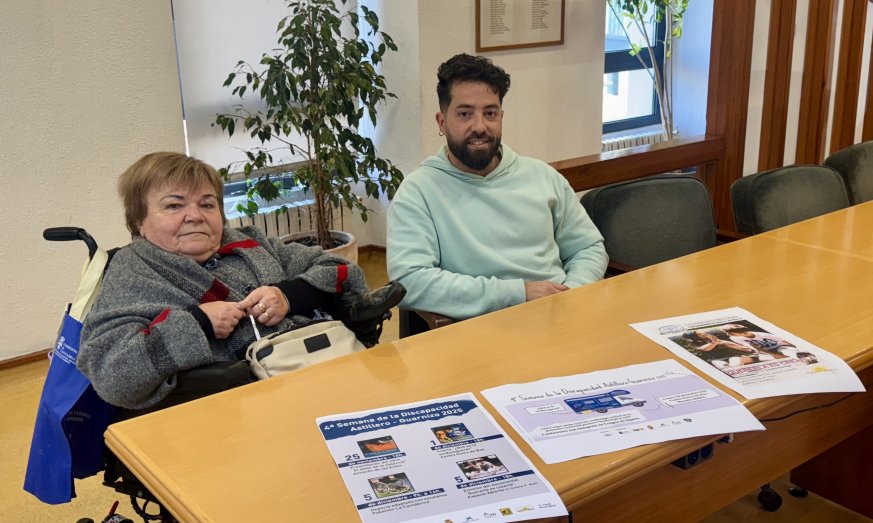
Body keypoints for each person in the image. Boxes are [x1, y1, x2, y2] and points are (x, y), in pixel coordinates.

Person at [77, 152, 403, 409]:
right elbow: (111, 375)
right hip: (240, 413)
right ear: (139, 221)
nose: (195, 215)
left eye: (207, 204)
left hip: (327, 370)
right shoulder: (132, 272)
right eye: (174, 205)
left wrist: (289, 296)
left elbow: (341, 270)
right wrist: (198, 323)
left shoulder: (248, 241)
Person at [387, 53, 607, 320]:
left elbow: (587, 248)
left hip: (562, 314)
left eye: (490, 113)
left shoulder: (542, 176)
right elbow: (409, 281)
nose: (479, 126)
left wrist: (572, 292)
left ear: (501, 117)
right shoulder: (418, 192)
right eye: (465, 114)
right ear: (442, 122)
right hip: (480, 329)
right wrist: (517, 293)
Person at [721, 323, 799, 359]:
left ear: (743, 333)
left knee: (786, 350)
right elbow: (757, 349)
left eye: (730, 333)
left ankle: (800, 356)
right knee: (765, 358)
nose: (728, 335)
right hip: (767, 351)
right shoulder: (735, 338)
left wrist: (797, 347)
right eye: (726, 333)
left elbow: (785, 341)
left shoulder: (764, 335)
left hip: (780, 346)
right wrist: (774, 355)